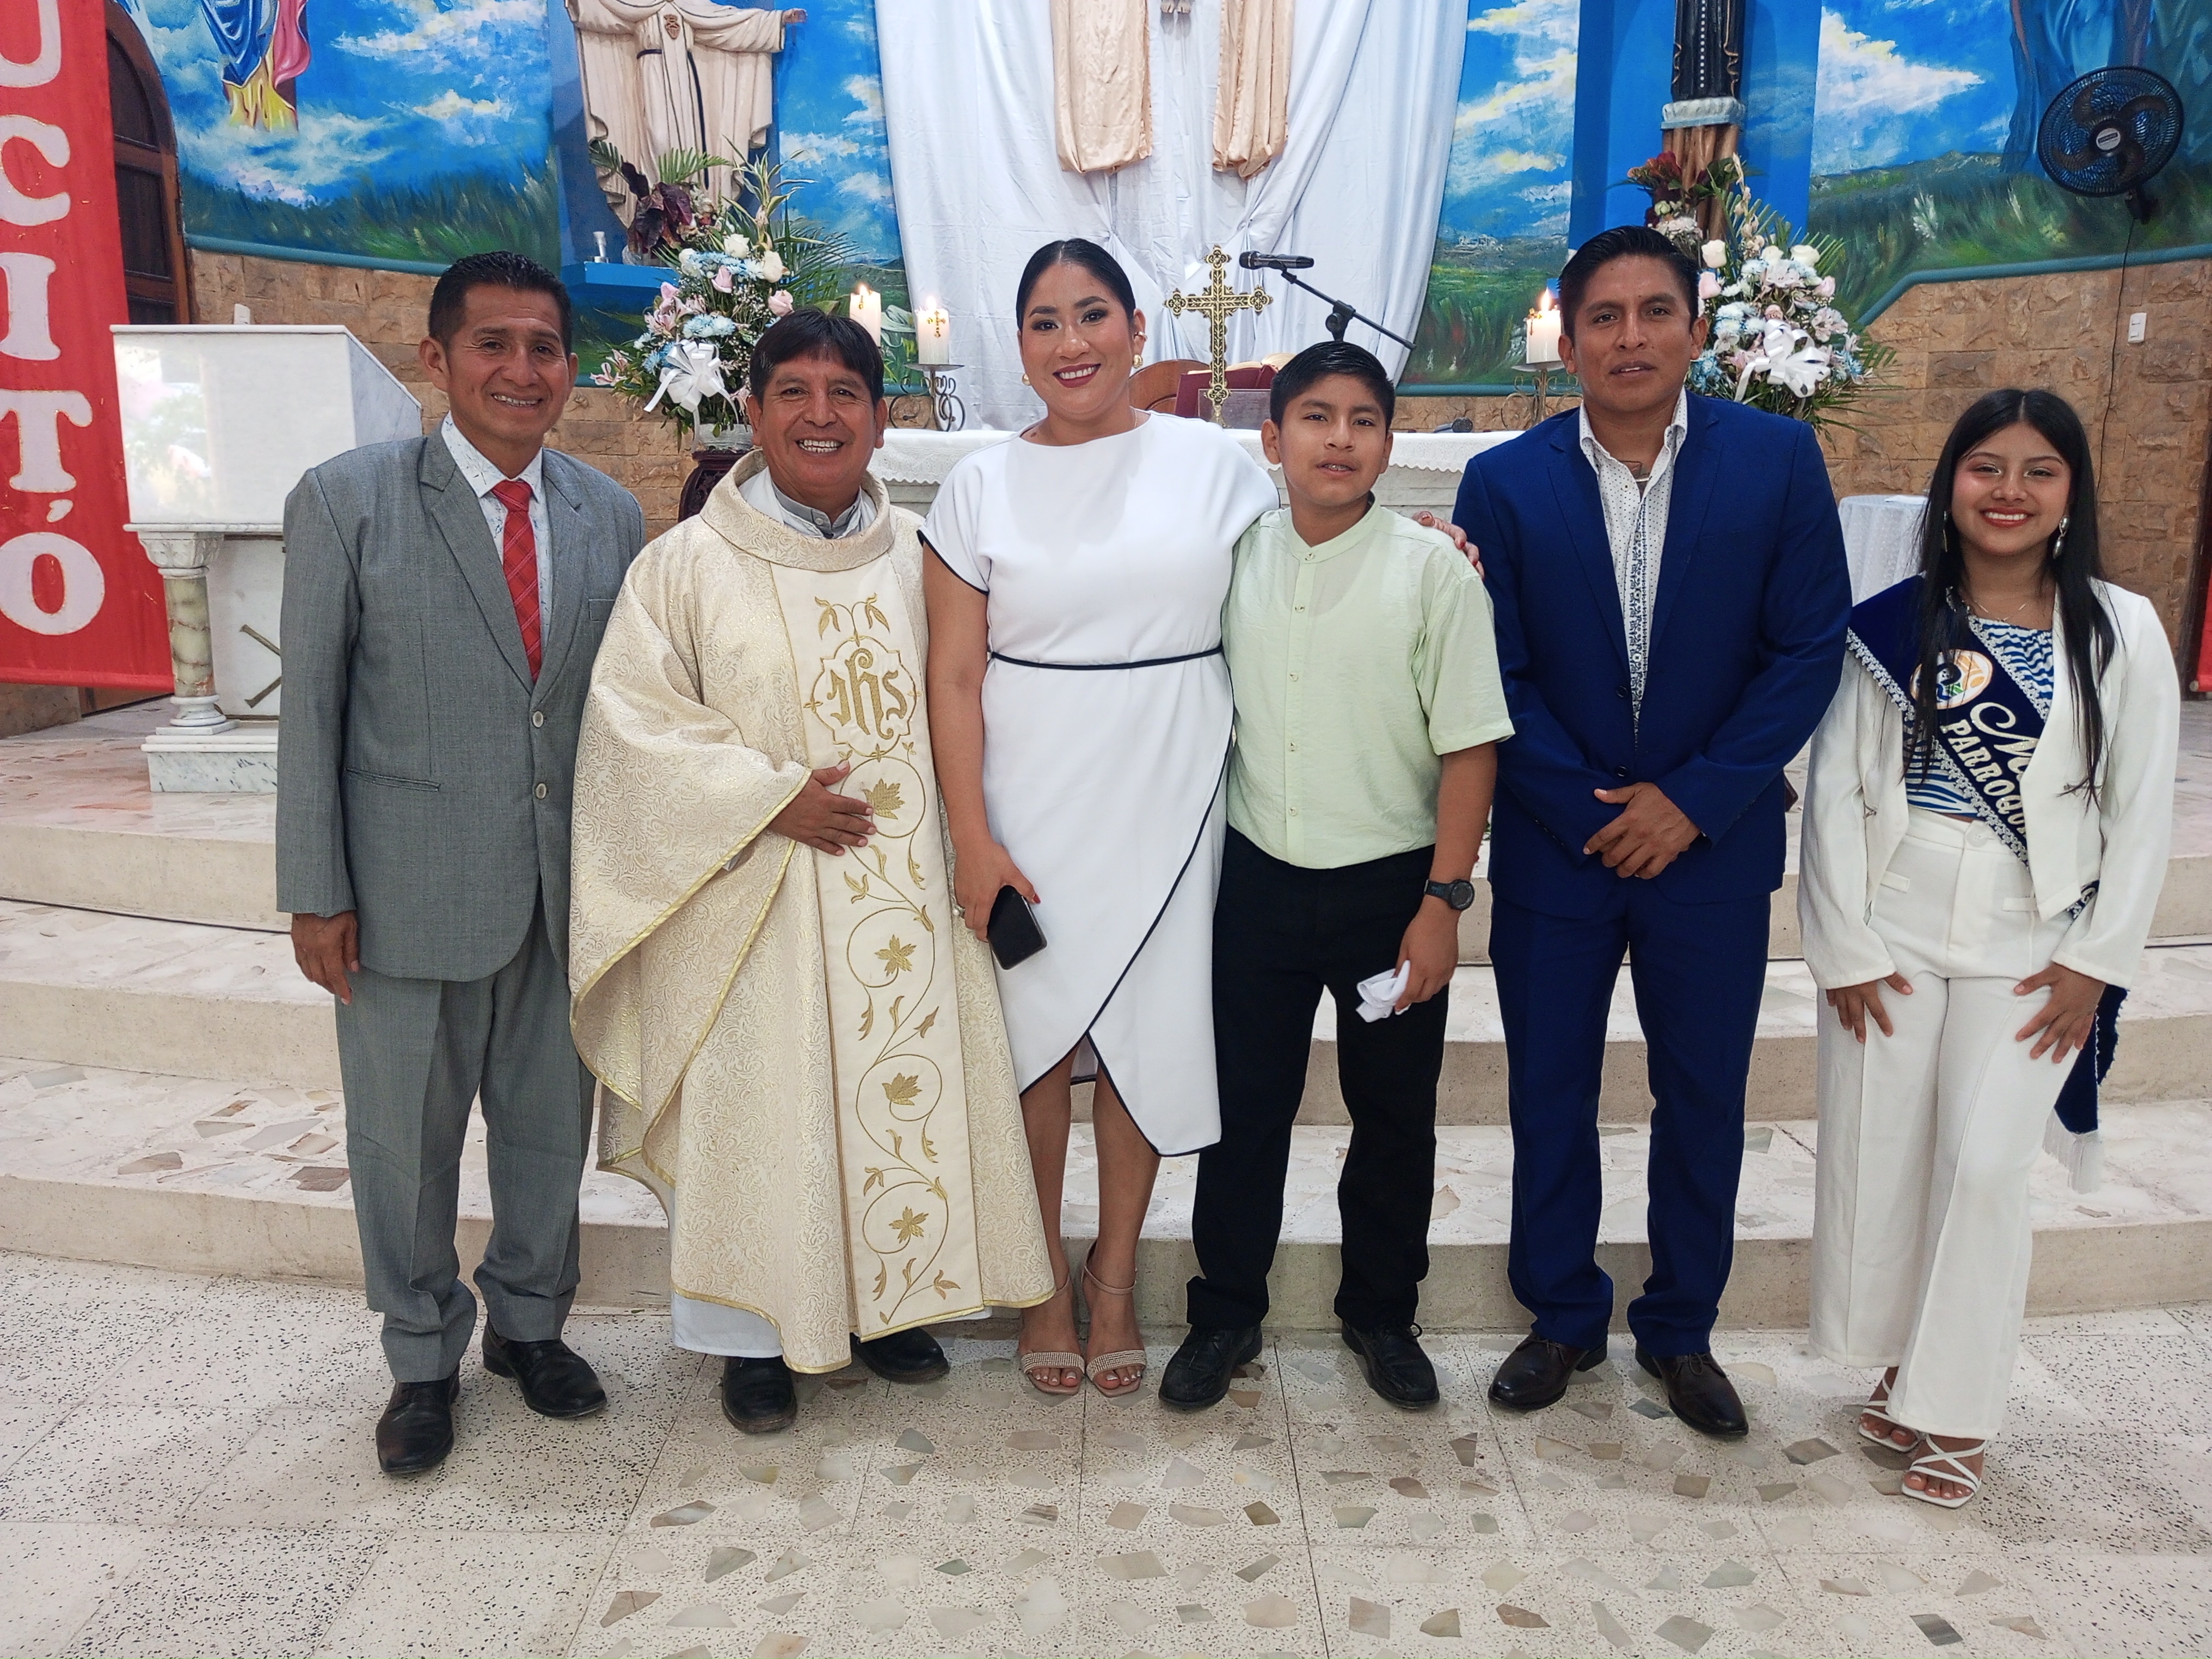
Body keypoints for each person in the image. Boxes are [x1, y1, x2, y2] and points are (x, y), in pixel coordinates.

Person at [568, 311, 1055, 1434]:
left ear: (882, 419)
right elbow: (632, 729)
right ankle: (750, 1339)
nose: (820, 416)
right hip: (754, 897)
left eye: (846, 395)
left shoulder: (928, 556)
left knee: (894, 1104)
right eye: (794, 392)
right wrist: (765, 798)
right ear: (754, 411)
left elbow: (992, 695)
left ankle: (890, 1304)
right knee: (765, 1109)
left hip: (906, 898)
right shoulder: (684, 566)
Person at [1452, 224, 1850, 1437]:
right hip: (1557, 846)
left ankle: (1681, 1327)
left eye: (1655, 312)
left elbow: (1807, 649)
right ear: (1569, 340)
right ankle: (1563, 1313)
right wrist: (1589, 805)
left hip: (1710, 850)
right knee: (1550, 1090)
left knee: (1702, 1096)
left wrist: (1694, 800)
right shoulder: (1504, 482)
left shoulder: (1777, 460)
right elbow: (1493, 670)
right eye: (1605, 318)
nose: (1631, 337)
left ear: (1696, 328)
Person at [278, 251, 647, 1474]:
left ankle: (530, 1328)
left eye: (543, 347)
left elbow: (625, 713)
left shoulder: (609, 515)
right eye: (493, 343)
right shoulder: (349, 502)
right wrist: (316, 892)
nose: (520, 369)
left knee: (546, 1132)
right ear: (436, 359)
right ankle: (422, 1355)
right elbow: (310, 712)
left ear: (570, 368)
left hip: (562, 891)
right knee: (404, 1143)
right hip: (405, 893)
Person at [1801, 389, 2178, 1507]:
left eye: (2038, 471)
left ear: (2071, 494)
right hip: (1896, 918)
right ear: (1950, 483)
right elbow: (1836, 789)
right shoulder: (1890, 622)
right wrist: (1843, 945)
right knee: (1884, 1155)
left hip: (2035, 931)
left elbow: (2141, 810)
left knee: (1983, 1170)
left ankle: (1959, 1410)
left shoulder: (2121, 628)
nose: (2009, 491)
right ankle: (1901, 1362)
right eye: (1986, 467)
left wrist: (2098, 961)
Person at [922, 238, 1280, 1397]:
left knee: (1146, 1031)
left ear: (1136, 330)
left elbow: (1301, 581)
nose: (1070, 343)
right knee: (1036, 1041)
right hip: (1032, 788)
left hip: (1175, 778)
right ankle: (1038, 1282)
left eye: (1091, 315)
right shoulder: (979, 486)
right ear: (1020, 346)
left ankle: (1114, 1277)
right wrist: (974, 839)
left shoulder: (1217, 464)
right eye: (1044, 322)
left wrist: (1419, 540)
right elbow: (953, 677)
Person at [1161, 342, 1512, 1411]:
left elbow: (1470, 747)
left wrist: (1444, 902)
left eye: (1364, 420)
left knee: (1394, 1116)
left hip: (1391, 887)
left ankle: (1382, 1314)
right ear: (1272, 439)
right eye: (1315, 417)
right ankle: (1225, 1312)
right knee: (1245, 1111)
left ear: (1389, 444)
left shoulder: (1433, 571)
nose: (1339, 439)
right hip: (1258, 882)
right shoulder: (1230, 558)